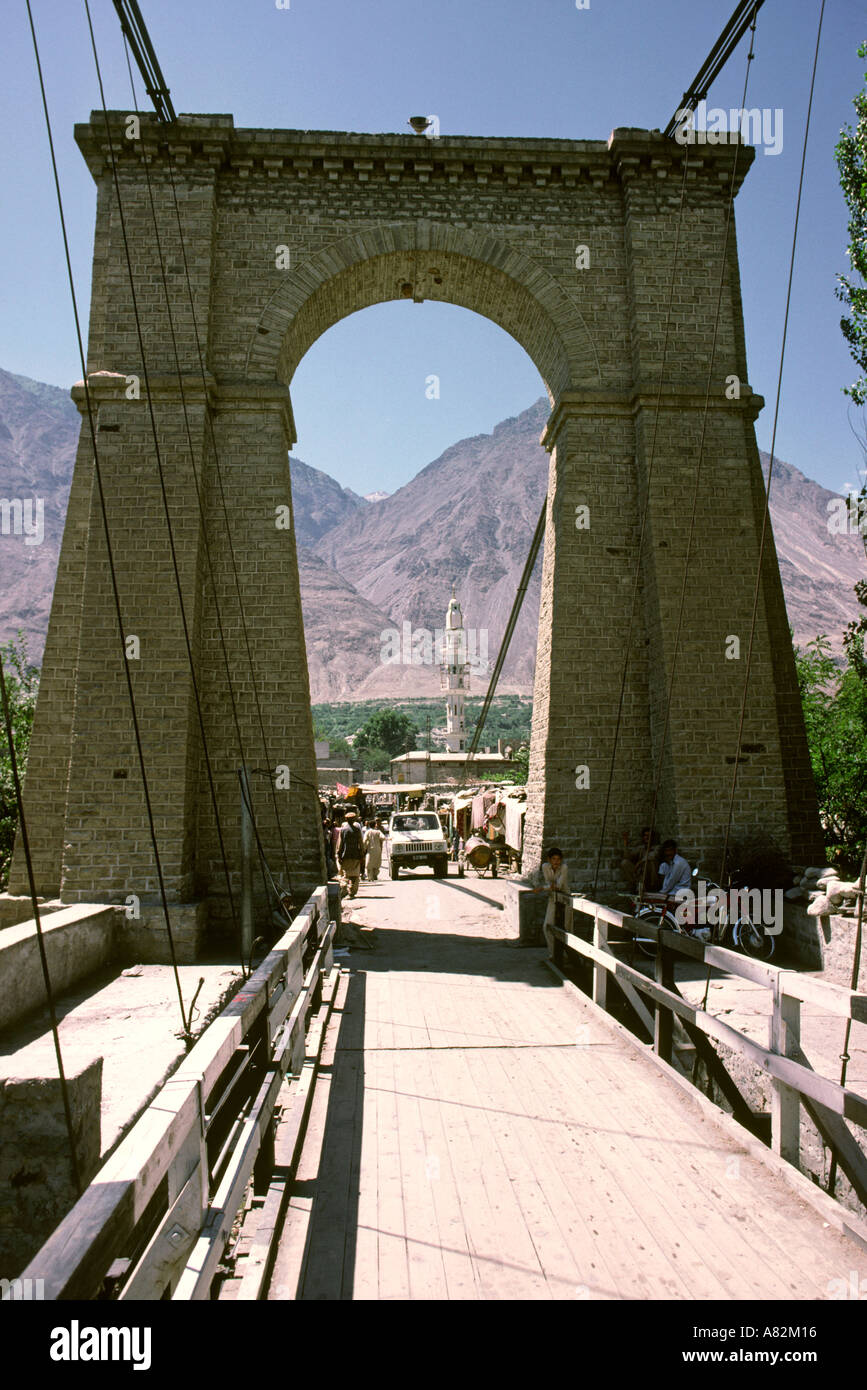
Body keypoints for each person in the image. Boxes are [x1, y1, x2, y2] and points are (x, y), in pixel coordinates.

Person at [533, 845, 572, 957]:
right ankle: (553, 954)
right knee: (547, 926)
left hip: (565, 899)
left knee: (566, 928)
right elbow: (550, 883)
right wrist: (548, 887)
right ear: (549, 860)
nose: (556, 862)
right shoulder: (545, 866)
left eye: (558, 859)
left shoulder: (564, 868)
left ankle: (565, 955)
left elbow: (559, 886)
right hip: (553, 898)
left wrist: (542, 888)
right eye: (553, 859)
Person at [620, 827, 660, 891]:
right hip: (640, 876)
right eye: (645, 835)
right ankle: (636, 884)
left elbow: (652, 856)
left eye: (649, 836)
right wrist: (625, 843)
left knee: (650, 862)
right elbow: (628, 857)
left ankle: (651, 887)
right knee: (624, 863)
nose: (647, 837)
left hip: (651, 877)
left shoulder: (657, 847)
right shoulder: (641, 848)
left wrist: (640, 862)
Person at [337, 810, 365, 898]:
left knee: (346, 874)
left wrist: (339, 854)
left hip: (345, 855)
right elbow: (361, 843)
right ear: (354, 819)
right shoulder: (357, 830)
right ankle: (352, 891)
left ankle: (345, 888)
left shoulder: (343, 830)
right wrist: (362, 853)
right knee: (355, 875)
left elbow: (340, 844)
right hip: (356, 855)